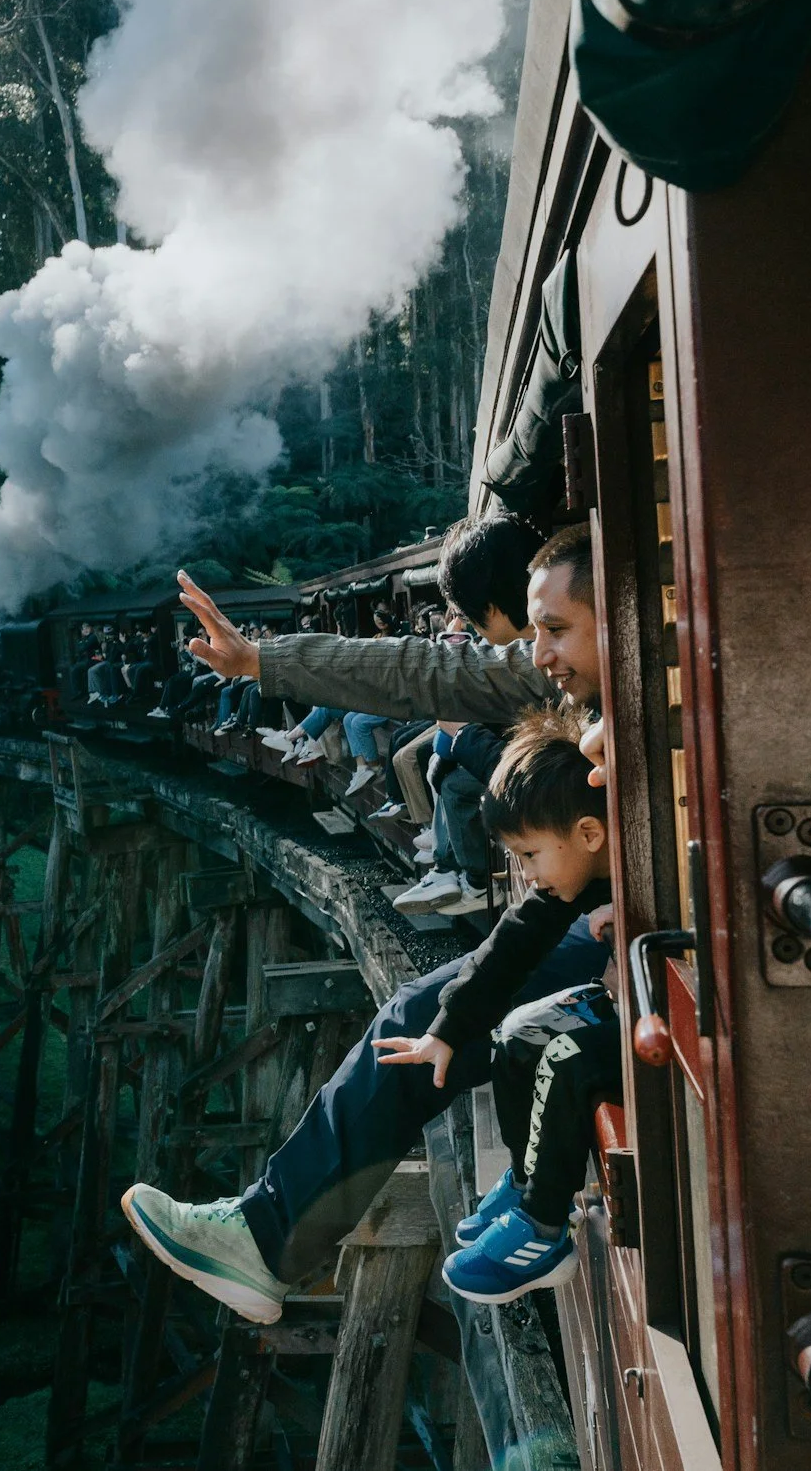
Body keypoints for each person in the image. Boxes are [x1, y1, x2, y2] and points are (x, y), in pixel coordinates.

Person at [122, 523, 605, 1322]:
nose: (538, 651)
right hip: (580, 920)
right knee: (423, 1011)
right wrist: (264, 662)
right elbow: (425, 669)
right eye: (535, 629)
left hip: (608, 938)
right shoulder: (574, 682)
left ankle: (267, 1240)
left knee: (416, 1018)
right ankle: (271, 1230)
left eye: (554, 630)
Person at [374, 709, 616, 1302]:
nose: (527, 875)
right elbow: (507, 948)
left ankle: (543, 1227)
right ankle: (527, 1174)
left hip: (668, 1021)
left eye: (529, 856)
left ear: (588, 835)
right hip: (630, 1004)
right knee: (516, 1031)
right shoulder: (576, 875)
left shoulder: (629, 860)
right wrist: (445, 1031)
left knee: (564, 1054)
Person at [395, 514, 544, 916]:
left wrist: (464, 735)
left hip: (555, 845)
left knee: (447, 772)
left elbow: (539, 774)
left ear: (491, 609)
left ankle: (470, 877)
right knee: (438, 764)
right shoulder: (532, 654)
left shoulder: (534, 659)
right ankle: (450, 864)